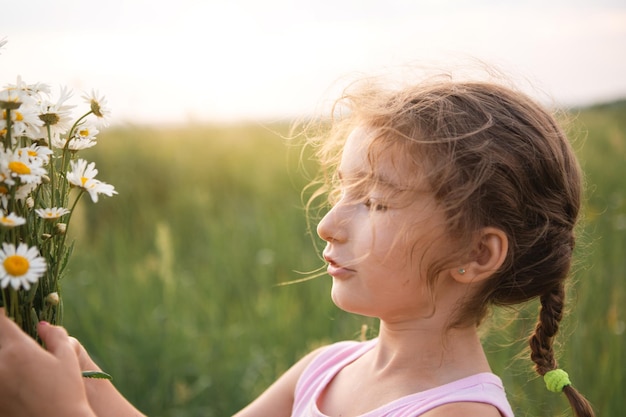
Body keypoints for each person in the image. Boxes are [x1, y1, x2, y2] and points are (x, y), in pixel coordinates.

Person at [0, 74, 596, 417]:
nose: (328, 223)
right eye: (342, 188)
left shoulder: (454, 415)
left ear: (478, 254)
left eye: (377, 202)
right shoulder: (327, 369)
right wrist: (82, 375)